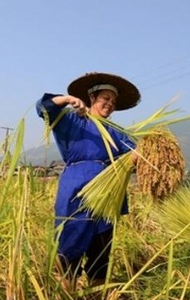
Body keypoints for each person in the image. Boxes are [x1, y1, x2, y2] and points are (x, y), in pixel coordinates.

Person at [36, 72, 141, 288]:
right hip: (76, 192)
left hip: (107, 197)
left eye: (113, 101)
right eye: (105, 98)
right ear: (92, 98)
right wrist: (66, 99)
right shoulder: (72, 120)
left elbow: (135, 154)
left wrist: (139, 155)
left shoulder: (117, 132)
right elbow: (43, 108)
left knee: (100, 254)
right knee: (69, 251)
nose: (110, 104)